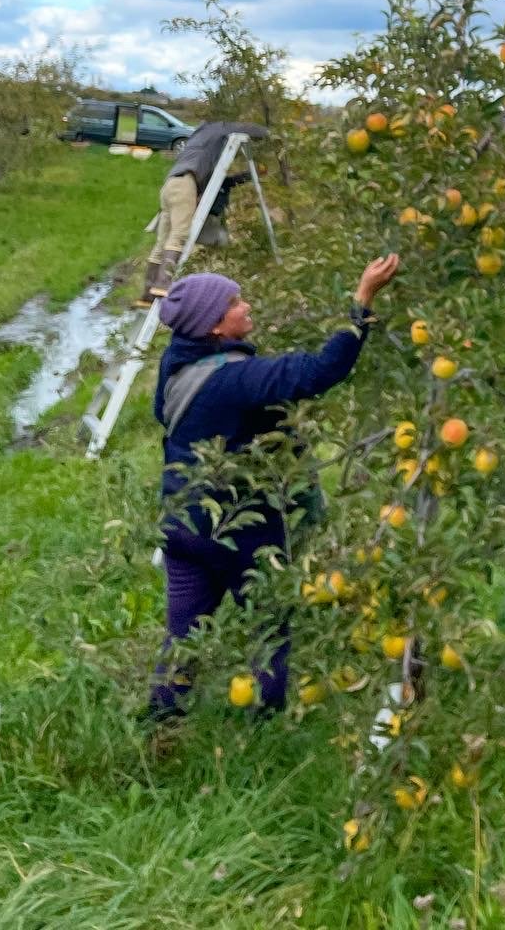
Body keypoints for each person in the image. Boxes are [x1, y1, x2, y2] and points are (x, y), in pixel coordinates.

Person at [147, 254, 399, 718]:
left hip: (182, 523)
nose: (246, 306)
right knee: (269, 627)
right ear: (214, 327)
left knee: (182, 636)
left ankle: (161, 727)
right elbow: (318, 372)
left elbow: (162, 417)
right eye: (234, 303)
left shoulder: (177, 363)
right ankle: (264, 725)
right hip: (239, 530)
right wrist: (362, 302)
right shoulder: (236, 378)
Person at [138, 120, 271, 307]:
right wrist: (270, 133)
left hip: (170, 184)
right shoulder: (217, 129)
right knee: (179, 235)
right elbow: (241, 129)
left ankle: (148, 293)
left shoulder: (196, 142)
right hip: (185, 183)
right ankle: (163, 284)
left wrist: (250, 174)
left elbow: (227, 181)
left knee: (162, 241)